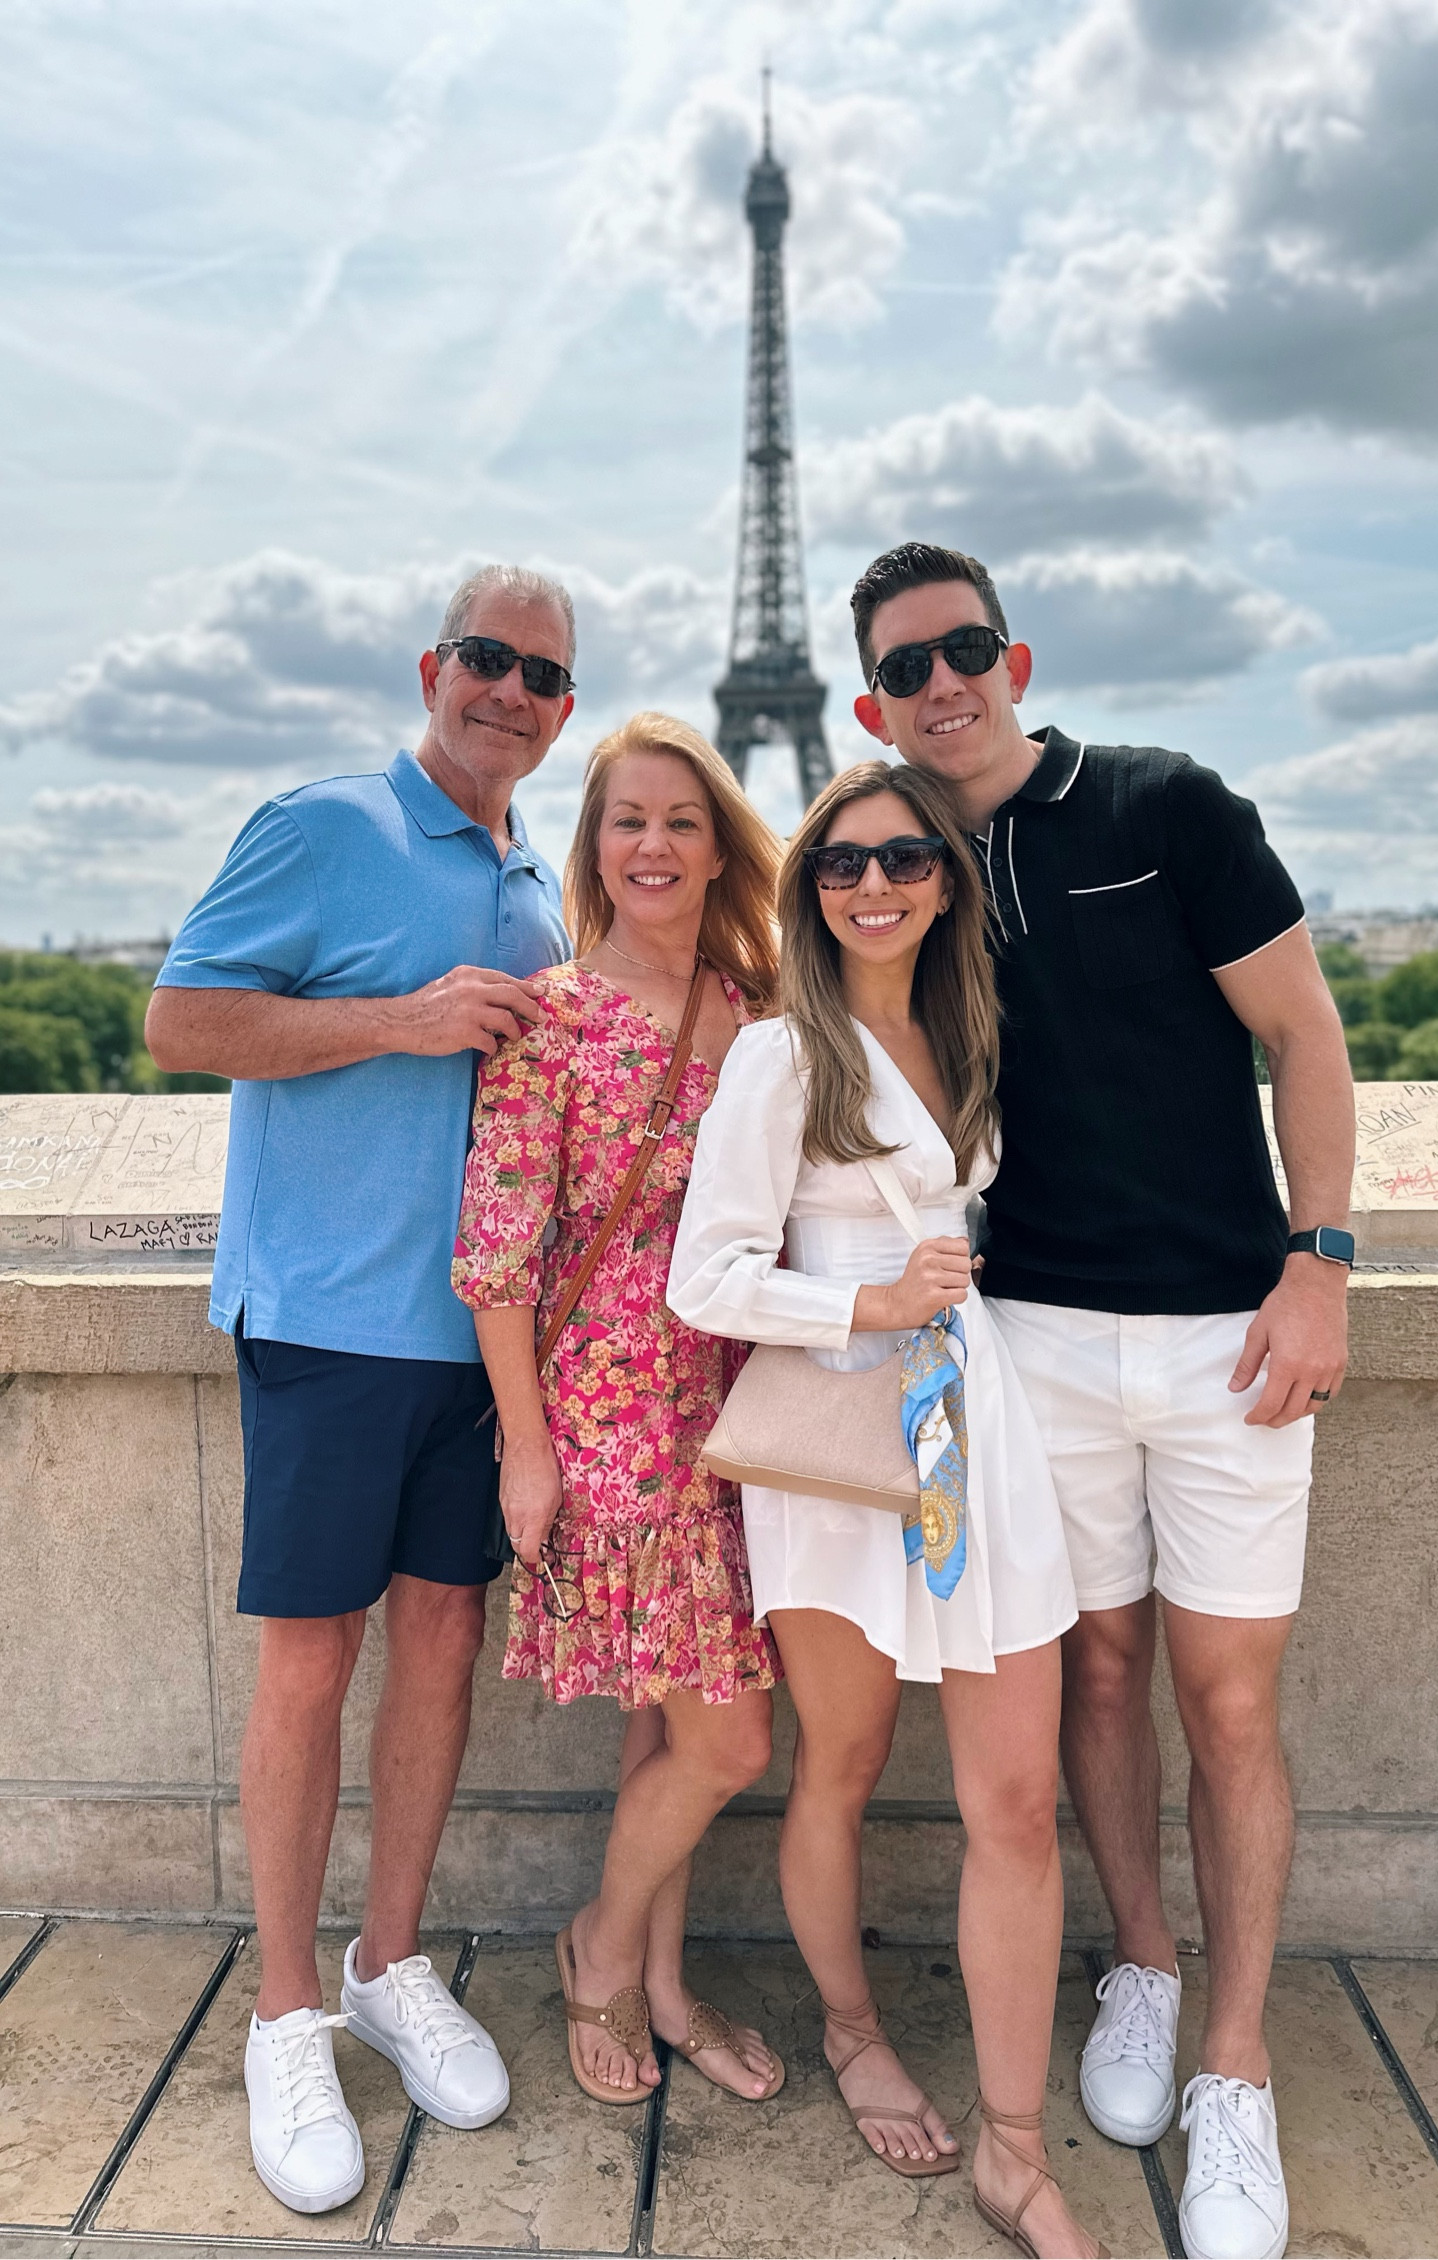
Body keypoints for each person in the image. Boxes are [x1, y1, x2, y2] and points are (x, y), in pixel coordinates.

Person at [848, 540, 1356, 2260]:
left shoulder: (1165, 805)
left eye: (965, 648)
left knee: (1227, 1703)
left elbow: (1306, 1037)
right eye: (909, 669)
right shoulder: (898, 865)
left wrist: (1322, 1262)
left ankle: (1233, 2064)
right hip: (1032, 1341)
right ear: (870, 706)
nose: (944, 684)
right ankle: (1140, 1962)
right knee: (1105, 1670)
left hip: (1229, 1331)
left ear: (1019, 654)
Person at [145, 564, 576, 2214]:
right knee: (312, 1667)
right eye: (486, 658)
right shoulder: (323, 823)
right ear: (430, 666)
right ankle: (280, 2012)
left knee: (447, 1649)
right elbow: (184, 1019)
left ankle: (391, 1966)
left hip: (484, 1343)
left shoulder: (537, 876)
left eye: (542, 675)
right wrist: (400, 1020)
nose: (509, 692)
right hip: (328, 1323)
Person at [669, 761, 1106, 2260]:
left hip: (975, 1441)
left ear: (946, 878)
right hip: (844, 1453)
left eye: (905, 857)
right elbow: (702, 1278)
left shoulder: (971, 1025)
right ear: (810, 888)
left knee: (1016, 1801)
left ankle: (1012, 2144)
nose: (873, 885)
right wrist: (859, 1291)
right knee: (838, 1765)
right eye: (843, 864)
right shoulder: (784, 1055)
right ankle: (855, 2034)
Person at [452, 712, 785, 2107]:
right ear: (594, 849)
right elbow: (498, 1251)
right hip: (616, 1422)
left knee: (670, 1730)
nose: (652, 845)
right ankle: (601, 1951)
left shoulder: (764, 1010)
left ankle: (656, 1983)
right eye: (625, 821)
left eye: (681, 821)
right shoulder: (555, 1019)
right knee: (726, 1736)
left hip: (745, 1409)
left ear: (721, 847)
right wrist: (527, 1449)